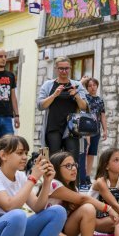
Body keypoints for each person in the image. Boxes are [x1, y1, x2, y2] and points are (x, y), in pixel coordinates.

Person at [44, 152, 119, 236]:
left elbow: (81, 207)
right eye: (68, 166)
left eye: (74, 165)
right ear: (56, 169)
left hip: (66, 230)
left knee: (88, 209)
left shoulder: (72, 187)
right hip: (50, 231)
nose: (74, 168)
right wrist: (108, 209)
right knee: (88, 206)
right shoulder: (53, 184)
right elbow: (83, 199)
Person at [37, 57, 90, 187]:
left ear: (70, 68)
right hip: (53, 127)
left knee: (72, 161)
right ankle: (54, 188)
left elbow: (84, 107)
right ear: (56, 69)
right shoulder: (48, 85)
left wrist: (76, 95)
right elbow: (40, 105)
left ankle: (73, 189)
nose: (64, 71)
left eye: (66, 68)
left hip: (72, 129)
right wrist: (54, 95)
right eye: (61, 68)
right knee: (54, 161)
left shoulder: (77, 85)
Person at [82, 77, 107, 178]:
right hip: (84, 129)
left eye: (94, 85)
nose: (92, 87)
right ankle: (82, 176)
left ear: (97, 86)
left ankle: (88, 176)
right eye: (89, 86)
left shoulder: (100, 100)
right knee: (84, 152)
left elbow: (102, 116)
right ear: (87, 88)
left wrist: (105, 130)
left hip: (96, 130)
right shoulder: (85, 98)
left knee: (91, 153)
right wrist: (82, 81)